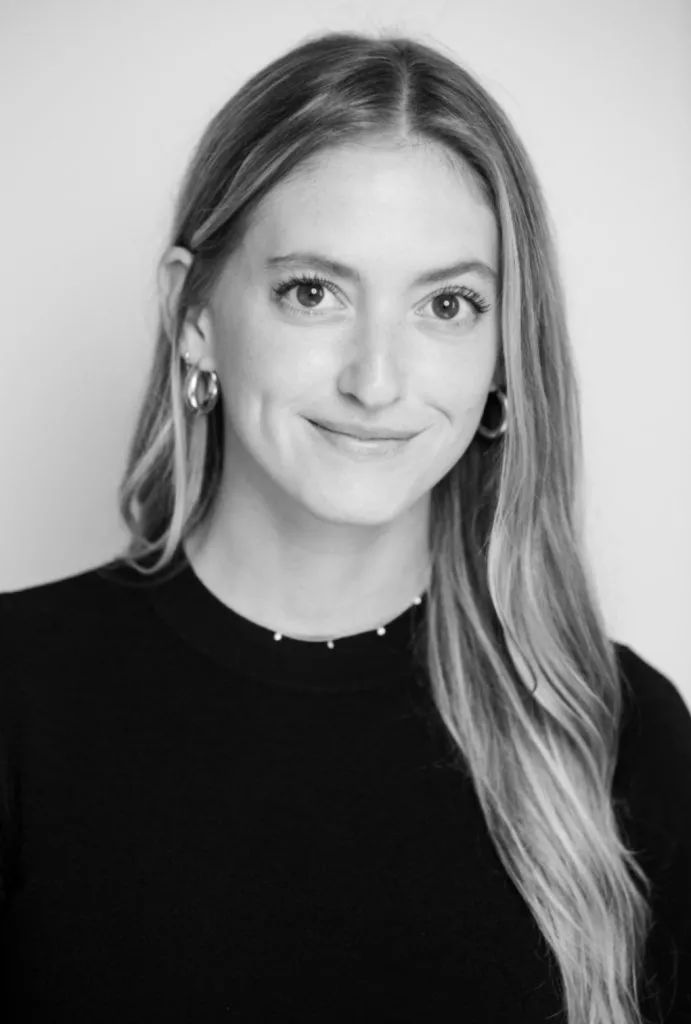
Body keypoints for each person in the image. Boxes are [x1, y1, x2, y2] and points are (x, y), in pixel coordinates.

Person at [1, 29, 689, 1024]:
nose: (376, 380)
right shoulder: (20, 698)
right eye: (313, 292)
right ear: (194, 313)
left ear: (503, 351)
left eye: (447, 304)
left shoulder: (614, 731)